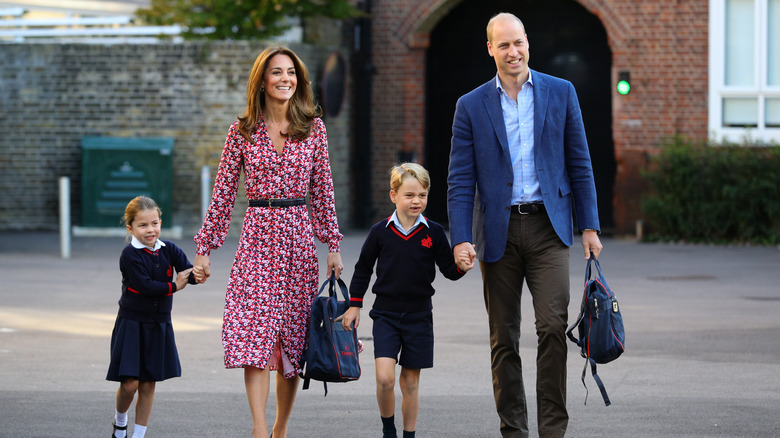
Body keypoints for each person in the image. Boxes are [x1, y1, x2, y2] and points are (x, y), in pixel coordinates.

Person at [447, 12, 604, 438]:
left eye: (518, 43)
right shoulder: (470, 105)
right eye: (504, 45)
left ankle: (552, 429)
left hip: (549, 228)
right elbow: (460, 180)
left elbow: (580, 163)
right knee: (504, 338)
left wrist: (589, 225)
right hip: (496, 232)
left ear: (527, 43)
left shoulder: (561, 92)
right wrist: (460, 238)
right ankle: (513, 430)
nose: (513, 52)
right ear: (490, 49)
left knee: (552, 326)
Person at [192, 46, 344, 438]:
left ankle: (280, 428)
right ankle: (260, 429)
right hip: (257, 239)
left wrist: (333, 245)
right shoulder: (241, 130)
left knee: (293, 341)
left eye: (291, 72)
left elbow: (323, 191)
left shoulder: (314, 128)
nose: (285, 79)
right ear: (262, 80)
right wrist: (204, 249)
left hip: (297, 240)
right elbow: (223, 194)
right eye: (276, 72)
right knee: (254, 334)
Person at [338, 163, 472, 438]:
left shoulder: (433, 232)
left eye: (422, 195)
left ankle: (409, 435)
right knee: (385, 378)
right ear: (393, 196)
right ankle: (389, 430)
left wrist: (462, 267)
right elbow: (363, 268)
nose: (416, 201)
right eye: (409, 195)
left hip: (419, 317)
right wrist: (354, 305)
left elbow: (449, 270)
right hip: (385, 315)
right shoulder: (380, 231)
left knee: (410, 381)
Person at [107, 195, 196, 438]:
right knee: (130, 384)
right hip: (132, 323)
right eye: (143, 225)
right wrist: (175, 286)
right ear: (130, 228)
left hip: (159, 324)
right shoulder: (130, 255)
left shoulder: (169, 249)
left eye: (155, 223)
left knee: (148, 383)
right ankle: (121, 420)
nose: (150, 230)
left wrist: (197, 272)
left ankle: (138, 435)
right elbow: (145, 286)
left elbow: (187, 270)